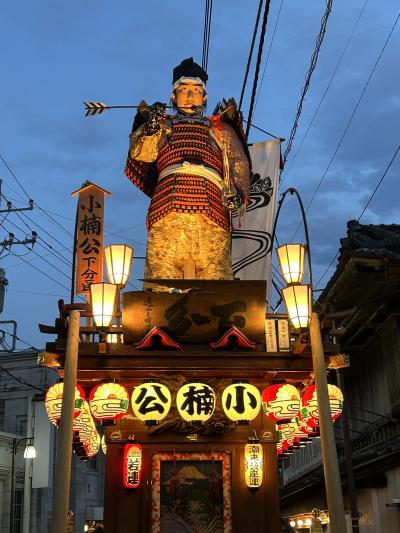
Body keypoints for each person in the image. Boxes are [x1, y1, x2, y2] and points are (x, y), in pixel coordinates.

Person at [125, 57, 250, 283]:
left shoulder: (221, 129)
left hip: (212, 210)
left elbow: (238, 162)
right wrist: (151, 127)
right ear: (173, 96)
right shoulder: (161, 125)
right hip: (167, 209)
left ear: (205, 96)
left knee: (216, 284)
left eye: (196, 90)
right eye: (184, 90)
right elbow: (142, 153)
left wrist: (238, 194)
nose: (190, 96)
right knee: (161, 282)